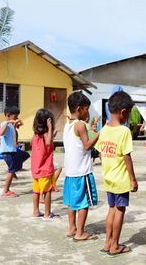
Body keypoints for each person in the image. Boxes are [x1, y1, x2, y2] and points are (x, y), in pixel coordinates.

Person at [96, 91, 137, 257]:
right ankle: (114, 246)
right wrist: (133, 180)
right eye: (128, 113)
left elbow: (100, 153)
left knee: (111, 209)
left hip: (108, 178)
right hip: (120, 180)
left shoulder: (104, 129)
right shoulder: (124, 131)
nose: (128, 117)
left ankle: (107, 243)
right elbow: (127, 156)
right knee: (120, 210)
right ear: (123, 111)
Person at [63, 92, 100, 240]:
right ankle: (80, 233)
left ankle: (72, 228)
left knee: (72, 201)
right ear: (79, 109)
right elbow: (87, 146)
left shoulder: (68, 124)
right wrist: (99, 134)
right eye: (86, 109)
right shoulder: (80, 125)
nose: (88, 112)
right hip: (82, 171)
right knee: (83, 202)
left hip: (71, 171)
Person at [31, 109, 60, 219]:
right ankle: (47, 214)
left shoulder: (35, 136)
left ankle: (36, 212)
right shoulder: (45, 136)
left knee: (36, 191)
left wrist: (50, 132)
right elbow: (48, 142)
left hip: (36, 169)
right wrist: (50, 128)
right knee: (48, 191)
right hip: (45, 169)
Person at [0, 106, 30, 197]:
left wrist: (17, 122)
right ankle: (6, 190)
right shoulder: (4, 123)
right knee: (11, 171)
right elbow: (1, 133)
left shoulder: (10, 124)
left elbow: (18, 126)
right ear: (8, 115)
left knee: (25, 155)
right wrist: (8, 122)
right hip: (7, 151)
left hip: (13, 150)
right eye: (15, 116)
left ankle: (13, 168)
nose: (16, 118)